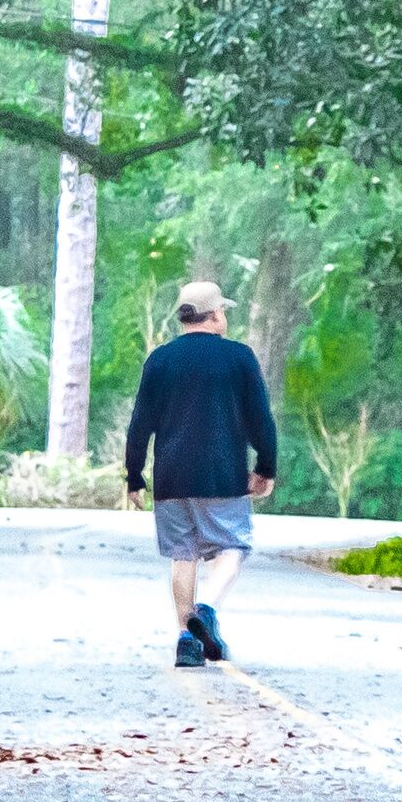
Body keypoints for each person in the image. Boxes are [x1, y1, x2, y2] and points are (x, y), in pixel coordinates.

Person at [122, 279, 278, 668]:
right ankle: (205, 610)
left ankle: (186, 642)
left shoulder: (160, 359)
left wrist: (134, 474)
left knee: (183, 555)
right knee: (234, 546)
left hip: (172, 476)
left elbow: (140, 422)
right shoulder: (239, 357)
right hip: (221, 473)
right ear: (215, 314)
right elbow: (261, 418)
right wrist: (265, 466)